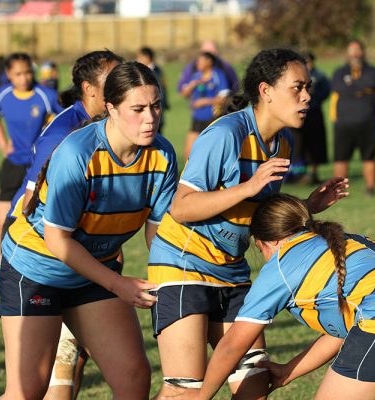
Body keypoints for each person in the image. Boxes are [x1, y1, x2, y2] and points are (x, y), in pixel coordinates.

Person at [147, 48, 349, 399]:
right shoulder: (225, 135)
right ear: (265, 91)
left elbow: (255, 210)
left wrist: (307, 205)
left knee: (254, 379)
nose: (306, 96)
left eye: (308, 87)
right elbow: (181, 207)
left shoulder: (282, 143)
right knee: (185, 388)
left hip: (231, 269)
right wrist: (250, 185)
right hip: (184, 262)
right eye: (297, 88)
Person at [178, 193, 375, 400]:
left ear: (266, 242)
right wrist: (285, 372)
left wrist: (202, 394)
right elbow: (348, 330)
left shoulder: (282, 263)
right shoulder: (345, 243)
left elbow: (233, 344)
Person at [0, 61, 178, 399]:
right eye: (137, 109)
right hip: (38, 268)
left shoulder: (163, 154)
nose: (151, 118)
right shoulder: (77, 153)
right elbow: (57, 240)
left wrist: (169, 285)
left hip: (95, 271)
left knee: (133, 379)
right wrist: (117, 284)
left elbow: (158, 233)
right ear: (110, 108)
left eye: (155, 105)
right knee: (28, 391)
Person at [5, 49, 123, 400]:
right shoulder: (63, 136)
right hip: (40, 251)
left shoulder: (112, 127)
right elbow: (29, 203)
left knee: (75, 355)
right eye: (113, 82)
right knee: (32, 385)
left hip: (86, 250)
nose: (123, 87)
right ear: (89, 89)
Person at [0, 52, 63, 297]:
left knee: (40, 225)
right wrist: (3, 144)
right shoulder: (2, 95)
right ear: (8, 75)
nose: (24, 78)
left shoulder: (47, 96)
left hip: (39, 168)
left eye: (27, 72)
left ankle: (43, 278)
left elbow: (66, 120)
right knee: (2, 225)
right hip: (12, 167)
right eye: (18, 74)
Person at [330, 39, 375, 196]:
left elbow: (372, 83)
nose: (355, 53)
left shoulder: (373, 71)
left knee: (369, 157)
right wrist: (360, 87)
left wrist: (352, 85)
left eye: (358, 49)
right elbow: (339, 88)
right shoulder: (339, 72)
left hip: (368, 121)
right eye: (351, 50)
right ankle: (338, 191)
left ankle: (370, 188)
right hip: (343, 122)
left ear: (363, 51)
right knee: (341, 158)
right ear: (347, 53)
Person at [179, 51, 230, 160]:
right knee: (188, 153)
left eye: (200, 61)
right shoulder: (196, 76)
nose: (197, 63)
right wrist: (193, 85)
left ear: (209, 62)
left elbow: (223, 99)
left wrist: (204, 101)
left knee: (212, 153)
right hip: (197, 118)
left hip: (213, 118)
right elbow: (184, 94)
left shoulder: (218, 75)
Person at [294, 51, 330, 185]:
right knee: (298, 145)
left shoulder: (319, 76)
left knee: (315, 145)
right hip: (298, 114)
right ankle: (298, 174)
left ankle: (314, 173)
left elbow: (326, 91)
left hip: (314, 114)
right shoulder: (294, 76)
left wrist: (315, 99)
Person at [137, 46, 169, 134]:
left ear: (147, 57)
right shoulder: (156, 70)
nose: (138, 59)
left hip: (155, 109)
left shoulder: (154, 72)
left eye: (140, 57)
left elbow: (161, 90)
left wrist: (160, 104)